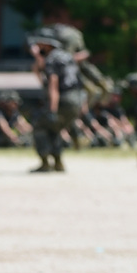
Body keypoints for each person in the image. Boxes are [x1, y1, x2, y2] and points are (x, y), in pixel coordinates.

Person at [28, 31, 85, 172]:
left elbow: (53, 86)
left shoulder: (52, 59)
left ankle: (45, 162)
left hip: (63, 99)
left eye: (39, 44)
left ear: (47, 44)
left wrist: (52, 110)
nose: (36, 47)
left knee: (40, 125)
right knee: (54, 129)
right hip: (76, 98)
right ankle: (58, 162)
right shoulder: (67, 57)